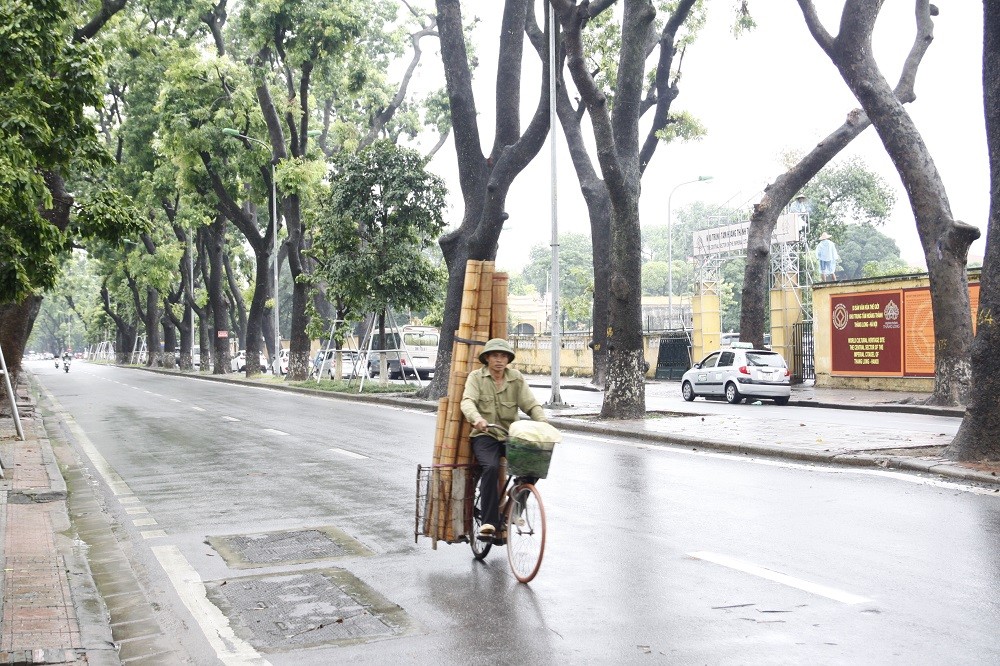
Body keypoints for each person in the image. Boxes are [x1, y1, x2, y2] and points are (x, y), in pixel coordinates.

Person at [461, 338, 546, 540]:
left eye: (503, 356)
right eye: (495, 356)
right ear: (487, 358)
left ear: (508, 359)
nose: (499, 360)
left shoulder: (515, 378)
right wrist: (477, 419)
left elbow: (531, 404)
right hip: (485, 435)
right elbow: (467, 402)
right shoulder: (476, 377)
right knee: (490, 467)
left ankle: (516, 502)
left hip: (510, 435)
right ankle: (488, 522)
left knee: (535, 463)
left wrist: (542, 421)